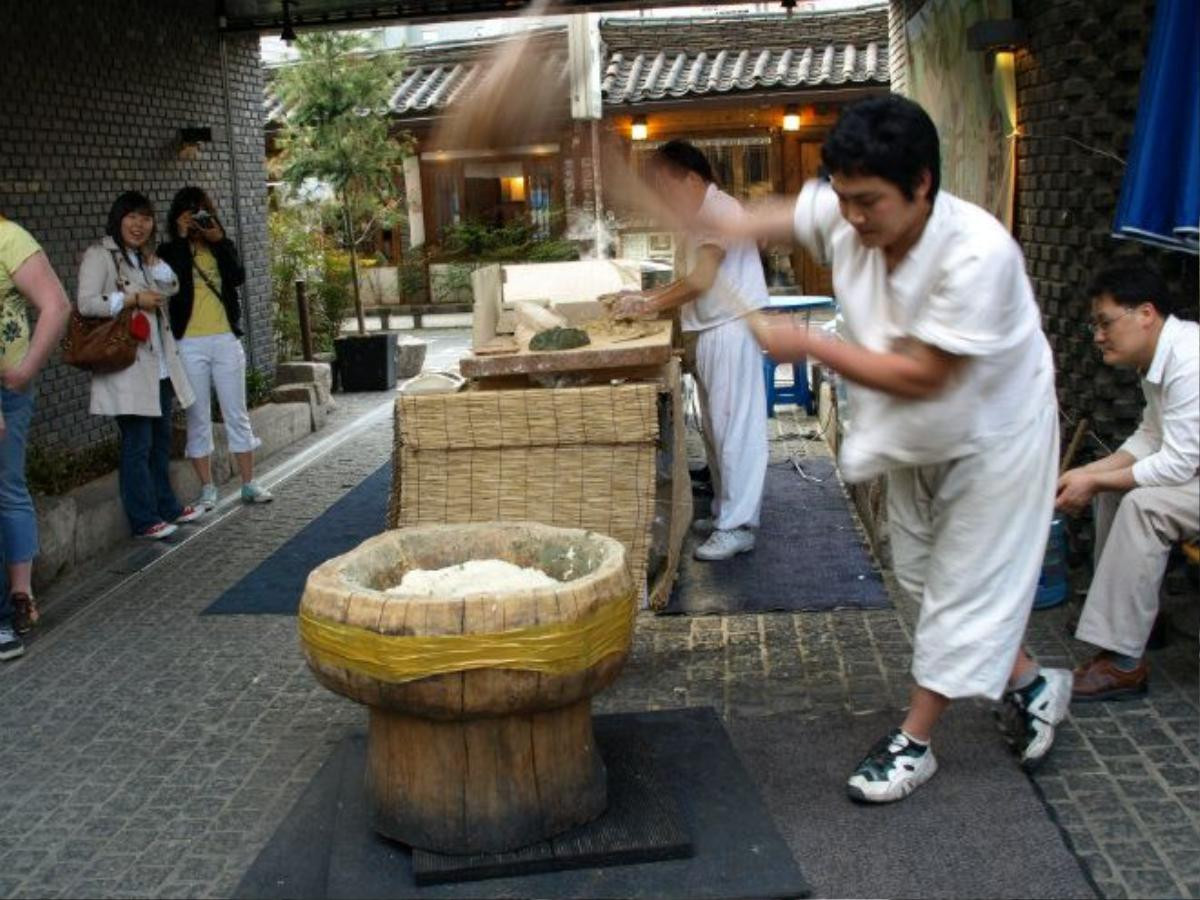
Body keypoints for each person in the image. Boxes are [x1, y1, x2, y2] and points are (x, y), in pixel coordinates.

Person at [721, 95, 1072, 801]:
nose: (851, 217)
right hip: (922, 428)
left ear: (922, 186)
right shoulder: (852, 206)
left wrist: (811, 345)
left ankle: (914, 741)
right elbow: (756, 216)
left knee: (962, 583)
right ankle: (1034, 681)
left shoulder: (977, 253)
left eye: (868, 202)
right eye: (843, 199)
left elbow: (925, 373)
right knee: (914, 571)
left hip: (995, 432)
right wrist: (661, 191)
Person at [616, 140, 768, 562]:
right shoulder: (702, 217)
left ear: (693, 178)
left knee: (734, 428)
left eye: (667, 188)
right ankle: (725, 511)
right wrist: (648, 296)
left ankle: (738, 526)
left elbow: (701, 278)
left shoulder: (718, 212)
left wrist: (647, 304)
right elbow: (688, 283)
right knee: (718, 430)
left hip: (730, 329)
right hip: (713, 328)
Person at [1057, 264, 1199, 701]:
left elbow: (1177, 463)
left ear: (1145, 314)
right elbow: (1151, 436)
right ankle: (1137, 624)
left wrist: (1096, 481)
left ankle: (1123, 664)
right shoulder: (1160, 356)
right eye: (1094, 325)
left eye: (1105, 322)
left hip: (1191, 469)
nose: (1098, 335)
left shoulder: (1189, 359)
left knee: (1145, 506)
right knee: (1116, 492)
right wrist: (1090, 475)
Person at [77, 192, 204, 541]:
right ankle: (143, 518)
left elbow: (171, 286)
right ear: (118, 218)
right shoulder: (100, 255)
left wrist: (152, 261)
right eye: (132, 217)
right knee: (137, 443)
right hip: (127, 367)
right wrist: (132, 299)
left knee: (160, 440)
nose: (139, 225)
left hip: (159, 366)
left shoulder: (142, 256)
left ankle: (167, 506)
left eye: (146, 219)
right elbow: (86, 303)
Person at [159, 187, 272, 508]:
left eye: (200, 211)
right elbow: (173, 282)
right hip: (188, 342)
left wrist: (218, 240)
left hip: (225, 338)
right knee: (197, 416)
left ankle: (249, 483)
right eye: (188, 212)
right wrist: (182, 238)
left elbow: (237, 276)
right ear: (177, 217)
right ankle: (207, 488)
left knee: (236, 413)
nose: (195, 218)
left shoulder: (221, 245)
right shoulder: (170, 251)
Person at [0, 216, 70, 661]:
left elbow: (56, 305)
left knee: (7, 487)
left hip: (7, 387)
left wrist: (25, 371)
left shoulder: (9, 236)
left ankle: (17, 599)